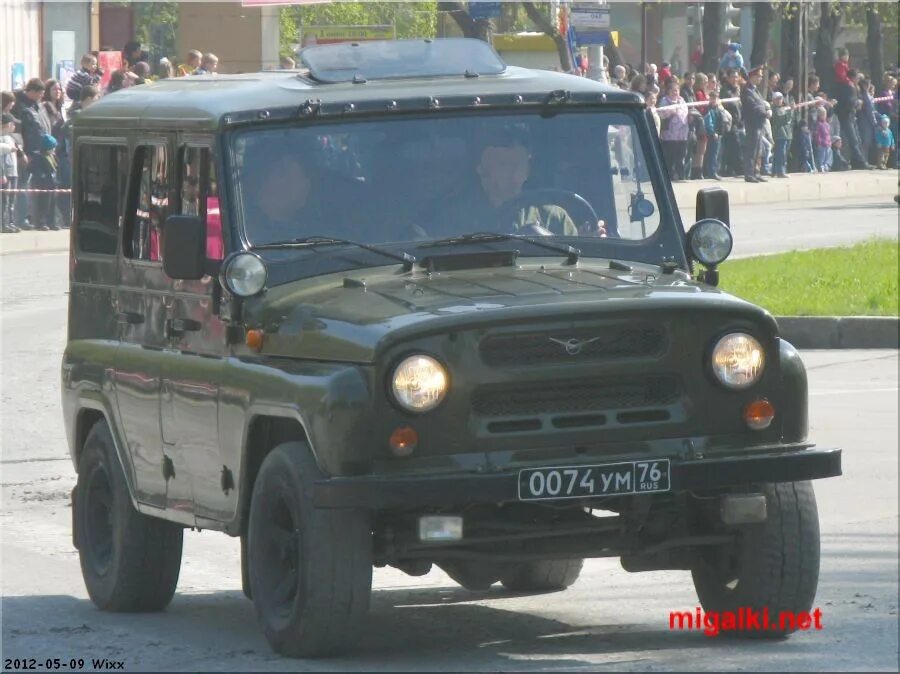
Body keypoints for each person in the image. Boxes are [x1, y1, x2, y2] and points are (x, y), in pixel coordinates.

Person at [12, 78, 51, 230]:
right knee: (23, 185)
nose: (41, 97)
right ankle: (21, 219)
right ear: (32, 92)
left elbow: (42, 127)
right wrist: (22, 152)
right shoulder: (20, 107)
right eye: (40, 94)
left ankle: (36, 218)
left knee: (40, 185)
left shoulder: (38, 106)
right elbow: (18, 132)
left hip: (41, 152)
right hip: (27, 152)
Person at [657, 80, 690, 181]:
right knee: (670, 158)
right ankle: (669, 177)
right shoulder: (664, 101)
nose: (675, 93)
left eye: (677, 90)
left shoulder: (682, 100)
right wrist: (671, 111)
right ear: (668, 91)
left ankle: (681, 176)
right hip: (669, 135)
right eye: (673, 91)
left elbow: (685, 112)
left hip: (682, 134)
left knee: (680, 157)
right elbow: (661, 114)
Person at [741, 66, 768, 182]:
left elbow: (761, 103)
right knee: (752, 149)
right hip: (752, 123)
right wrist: (764, 113)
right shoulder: (747, 90)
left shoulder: (755, 90)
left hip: (759, 123)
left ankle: (756, 172)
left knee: (758, 149)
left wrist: (767, 109)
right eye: (759, 76)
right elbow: (752, 106)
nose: (761, 78)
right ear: (752, 77)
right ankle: (749, 173)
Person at [719, 69, 743, 177]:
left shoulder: (738, 90)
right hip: (729, 123)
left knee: (734, 146)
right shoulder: (725, 90)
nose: (735, 79)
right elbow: (729, 104)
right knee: (734, 145)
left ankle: (730, 169)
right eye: (732, 77)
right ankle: (738, 169)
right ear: (728, 78)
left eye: (736, 77)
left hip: (738, 122)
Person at [1, 112, 22, 232]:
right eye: (12, 123)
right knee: (5, 200)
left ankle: (10, 221)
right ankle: (4, 223)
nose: (14, 125)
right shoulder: (1, 138)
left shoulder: (11, 138)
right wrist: (2, 173)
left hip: (13, 172)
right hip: (6, 173)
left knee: (12, 200)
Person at [703, 89, 730, 180]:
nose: (714, 100)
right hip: (713, 135)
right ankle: (712, 172)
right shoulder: (708, 109)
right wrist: (712, 132)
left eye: (716, 98)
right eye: (712, 98)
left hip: (719, 133)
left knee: (717, 153)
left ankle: (715, 170)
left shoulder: (719, 109)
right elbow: (708, 122)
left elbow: (723, 119)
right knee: (712, 154)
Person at [771, 91, 792, 178]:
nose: (779, 100)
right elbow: (780, 120)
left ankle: (775, 171)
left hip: (786, 134)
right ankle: (780, 171)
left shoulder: (783, 108)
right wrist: (789, 111)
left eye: (780, 99)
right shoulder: (773, 110)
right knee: (780, 154)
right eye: (777, 99)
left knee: (781, 153)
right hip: (779, 134)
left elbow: (789, 120)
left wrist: (789, 111)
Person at [814, 106, 832, 172]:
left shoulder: (827, 124)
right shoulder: (818, 124)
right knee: (821, 156)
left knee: (827, 155)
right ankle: (820, 166)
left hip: (827, 143)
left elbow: (828, 134)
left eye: (824, 115)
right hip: (821, 143)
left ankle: (825, 165)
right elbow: (818, 134)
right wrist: (819, 142)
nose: (824, 116)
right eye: (822, 115)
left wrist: (830, 142)